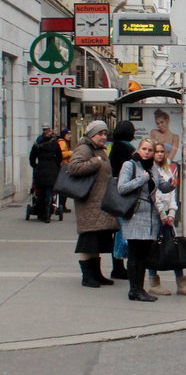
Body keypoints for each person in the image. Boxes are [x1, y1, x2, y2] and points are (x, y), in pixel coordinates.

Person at [117, 138, 178, 302]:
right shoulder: (130, 165)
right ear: (138, 149)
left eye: (150, 150)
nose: (147, 153)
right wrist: (141, 179)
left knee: (144, 255)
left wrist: (171, 184)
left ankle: (140, 288)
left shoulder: (152, 167)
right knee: (134, 254)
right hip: (135, 214)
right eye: (144, 149)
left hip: (150, 216)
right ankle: (134, 290)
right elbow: (122, 187)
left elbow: (162, 186)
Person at [65, 121, 120, 288]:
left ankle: (96, 274)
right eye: (99, 134)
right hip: (89, 202)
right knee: (88, 240)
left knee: (97, 240)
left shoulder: (99, 149)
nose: (103, 137)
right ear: (91, 134)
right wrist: (95, 162)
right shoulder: (84, 148)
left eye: (105, 133)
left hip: (100, 202)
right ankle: (87, 276)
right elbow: (74, 167)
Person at [146, 142, 186, 297]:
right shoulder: (150, 170)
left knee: (174, 247)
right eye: (157, 151)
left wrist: (172, 214)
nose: (160, 154)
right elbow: (154, 195)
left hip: (168, 215)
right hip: (156, 215)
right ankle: (154, 283)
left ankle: (181, 284)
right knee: (154, 249)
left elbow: (172, 193)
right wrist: (163, 215)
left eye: (162, 151)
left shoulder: (168, 169)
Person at [107, 121, 137, 280]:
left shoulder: (115, 147)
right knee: (122, 231)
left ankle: (118, 266)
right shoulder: (126, 149)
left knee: (119, 231)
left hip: (116, 194)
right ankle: (118, 267)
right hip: (124, 194)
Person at [28, 125, 61, 223]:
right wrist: (56, 165)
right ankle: (48, 212)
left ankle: (42, 212)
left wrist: (35, 165)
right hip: (52, 170)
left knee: (41, 191)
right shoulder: (54, 143)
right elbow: (60, 156)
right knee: (50, 190)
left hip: (41, 169)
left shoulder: (38, 143)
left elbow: (32, 157)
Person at [56, 128, 73, 215]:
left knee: (64, 188)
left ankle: (62, 205)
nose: (70, 136)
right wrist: (70, 153)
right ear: (64, 135)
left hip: (64, 166)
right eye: (68, 134)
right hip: (63, 166)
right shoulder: (62, 143)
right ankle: (61, 205)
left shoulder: (64, 142)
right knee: (64, 188)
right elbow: (61, 154)